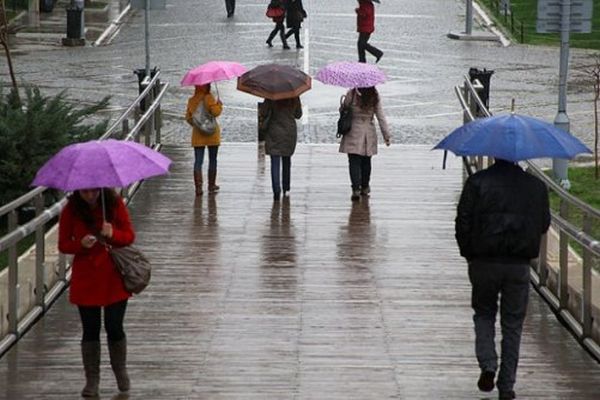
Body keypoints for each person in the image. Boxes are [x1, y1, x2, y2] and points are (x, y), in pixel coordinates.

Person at [455, 159, 551, 400]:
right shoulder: (536, 186)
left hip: (483, 262)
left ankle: (488, 364)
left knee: (484, 314)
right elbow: (544, 223)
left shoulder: (477, 182)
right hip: (518, 264)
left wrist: (469, 252)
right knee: (513, 324)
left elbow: (462, 221)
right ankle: (506, 385)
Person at [58, 188, 135, 397]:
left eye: (93, 191)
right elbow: (63, 244)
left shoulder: (114, 204)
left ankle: (120, 370)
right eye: (85, 192)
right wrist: (80, 244)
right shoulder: (71, 210)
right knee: (90, 329)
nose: (90, 195)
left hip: (113, 275)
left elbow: (129, 236)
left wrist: (113, 234)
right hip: (87, 277)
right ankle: (92, 380)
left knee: (114, 325)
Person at [338, 86, 390, 201]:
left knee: (354, 161)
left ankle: (355, 188)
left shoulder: (352, 93)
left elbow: (344, 109)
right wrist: (386, 135)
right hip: (368, 132)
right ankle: (365, 186)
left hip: (353, 131)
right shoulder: (374, 94)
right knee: (366, 161)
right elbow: (380, 116)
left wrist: (343, 104)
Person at [260, 97, 302, 200]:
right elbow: (298, 114)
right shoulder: (294, 96)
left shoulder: (271, 95)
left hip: (274, 130)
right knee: (286, 158)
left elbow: (263, 112)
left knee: (275, 161)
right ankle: (286, 186)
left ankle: (276, 190)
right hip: (289, 131)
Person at [185, 84, 223, 196]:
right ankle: (211, 185)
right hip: (212, 134)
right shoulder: (209, 98)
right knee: (213, 159)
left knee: (198, 161)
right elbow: (216, 113)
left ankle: (198, 188)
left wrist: (198, 125)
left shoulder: (192, 100)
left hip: (198, 135)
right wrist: (219, 105)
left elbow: (188, 118)